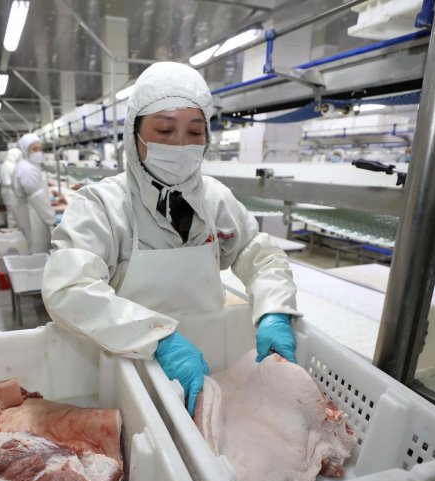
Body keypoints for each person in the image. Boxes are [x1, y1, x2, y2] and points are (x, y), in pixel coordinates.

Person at [41, 62, 300, 416]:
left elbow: (260, 254)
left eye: (195, 132)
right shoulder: (102, 204)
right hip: (130, 366)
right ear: (135, 134)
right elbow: (67, 288)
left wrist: (273, 310)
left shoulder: (216, 199)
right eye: (164, 130)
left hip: (210, 366)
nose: (181, 145)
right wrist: (158, 338)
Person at [12, 134, 56, 253]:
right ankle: (39, 271)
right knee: (38, 247)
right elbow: (38, 199)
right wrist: (52, 219)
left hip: (31, 210)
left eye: (40, 149)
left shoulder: (26, 166)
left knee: (33, 244)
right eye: (34, 149)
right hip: (33, 214)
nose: (38, 152)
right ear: (25, 151)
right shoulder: (28, 169)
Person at [0, 147, 22, 228]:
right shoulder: (10, 165)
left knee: (11, 211)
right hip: (10, 192)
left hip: (7, 191)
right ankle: (12, 230)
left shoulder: (6, 164)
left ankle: (13, 229)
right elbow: (15, 180)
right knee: (12, 213)